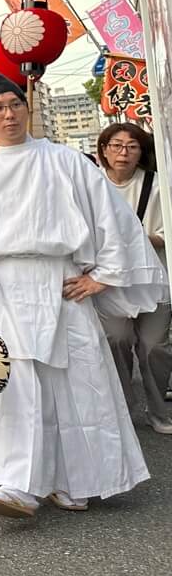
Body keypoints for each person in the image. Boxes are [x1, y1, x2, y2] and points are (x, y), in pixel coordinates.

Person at [0, 71, 165, 519]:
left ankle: (77, 480)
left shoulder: (66, 161)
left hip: (63, 287)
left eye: (14, 104)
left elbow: (111, 218)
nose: (8, 114)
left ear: (27, 108)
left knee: (77, 385)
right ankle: (20, 483)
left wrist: (104, 276)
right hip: (4, 289)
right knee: (18, 388)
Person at [94, 123, 172, 433]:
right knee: (116, 340)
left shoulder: (157, 185)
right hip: (109, 282)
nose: (123, 153)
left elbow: (166, 230)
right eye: (116, 145)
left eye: (131, 146)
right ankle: (123, 410)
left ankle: (159, 412)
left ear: (142, 151)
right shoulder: (93, 185)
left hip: (153, 278)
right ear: (104, 150)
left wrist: (138, 240)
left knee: (155, 346)